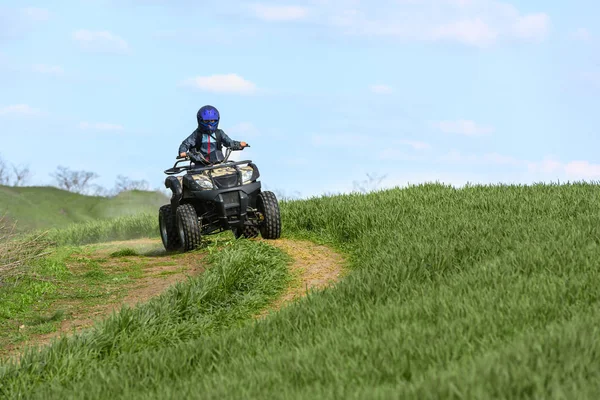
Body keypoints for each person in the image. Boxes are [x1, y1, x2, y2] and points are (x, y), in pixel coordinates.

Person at [178, 105, 248, 165]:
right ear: (200, 120)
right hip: (200, 165)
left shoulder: (219, 133)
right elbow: (186, 144)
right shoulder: (197, 134)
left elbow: (229, 142)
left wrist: (239, 144)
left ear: (216, 120)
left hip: (219, 163)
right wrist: (183, 152)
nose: (209, 124)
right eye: (206, 121)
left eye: (212, 121)